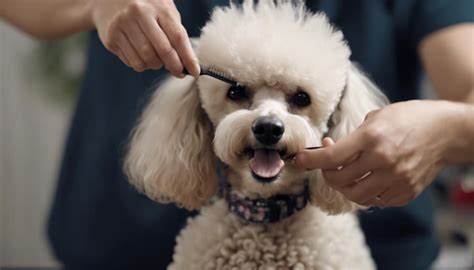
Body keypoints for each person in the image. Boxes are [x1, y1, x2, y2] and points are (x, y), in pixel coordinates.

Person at [1, 0, 473, 269]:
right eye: (239, 93)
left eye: (300, 100)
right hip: (117, 246)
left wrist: (450, 129)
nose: (268, 118)